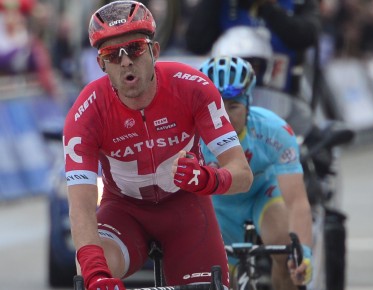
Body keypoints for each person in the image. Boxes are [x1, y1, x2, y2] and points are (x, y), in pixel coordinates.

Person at [63, 2, 253, 289]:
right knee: (93, 268)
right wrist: (96, 275)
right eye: (113, 55)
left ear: (155, 51)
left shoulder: (193, 87)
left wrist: (209, 179)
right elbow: (81, 207)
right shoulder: (86, 113)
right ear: (101, 65)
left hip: (186, 207)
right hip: (123, 212)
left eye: (136, 49)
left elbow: (242, 173)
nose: (126, 61)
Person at [199, 55, 313, 290]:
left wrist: (305, 254)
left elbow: (297, 202)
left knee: (286, 252)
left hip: (262, 195)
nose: (225, 117)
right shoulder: (189, 134)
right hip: (216, 207)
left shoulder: (274, 130)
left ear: (249, 104)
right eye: (217, 107)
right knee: (219, 277)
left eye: (234, 106)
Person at [185, 0, 320, 96]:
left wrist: (268, 9)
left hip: (282, 100)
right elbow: (196, 43)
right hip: (230, 101)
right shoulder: (224, 4)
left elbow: (307, 36)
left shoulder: (298, 3)